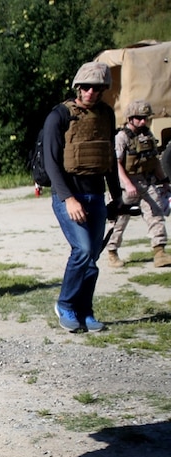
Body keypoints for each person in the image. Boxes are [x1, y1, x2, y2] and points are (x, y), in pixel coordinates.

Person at [43, 62, 123, 332]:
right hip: (70, 195)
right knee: (84, 251)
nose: (91, 92)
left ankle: (85, 311)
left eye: (97, 88)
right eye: (86, 87)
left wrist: (117, 197)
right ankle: (65, 304)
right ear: (78, 87)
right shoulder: (60, 115)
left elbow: (109, 156)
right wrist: (68, 199)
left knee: (93, 257)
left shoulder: (106, 115)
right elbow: (52, 162)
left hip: (96, 195)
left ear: (103, 90)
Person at [105, 100, 171, 269]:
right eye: (139, 118)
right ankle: (112, 252)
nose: (143, 121)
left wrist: (164, 181)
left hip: (146, 182)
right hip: (126, 185)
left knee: (156, 215)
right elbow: (116, 164)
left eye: (145, 118)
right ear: (130, 118)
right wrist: (127, 184)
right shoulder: (121, 137)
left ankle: (160, 252)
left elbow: (154, 161)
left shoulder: (147, 135)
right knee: (119, 220)